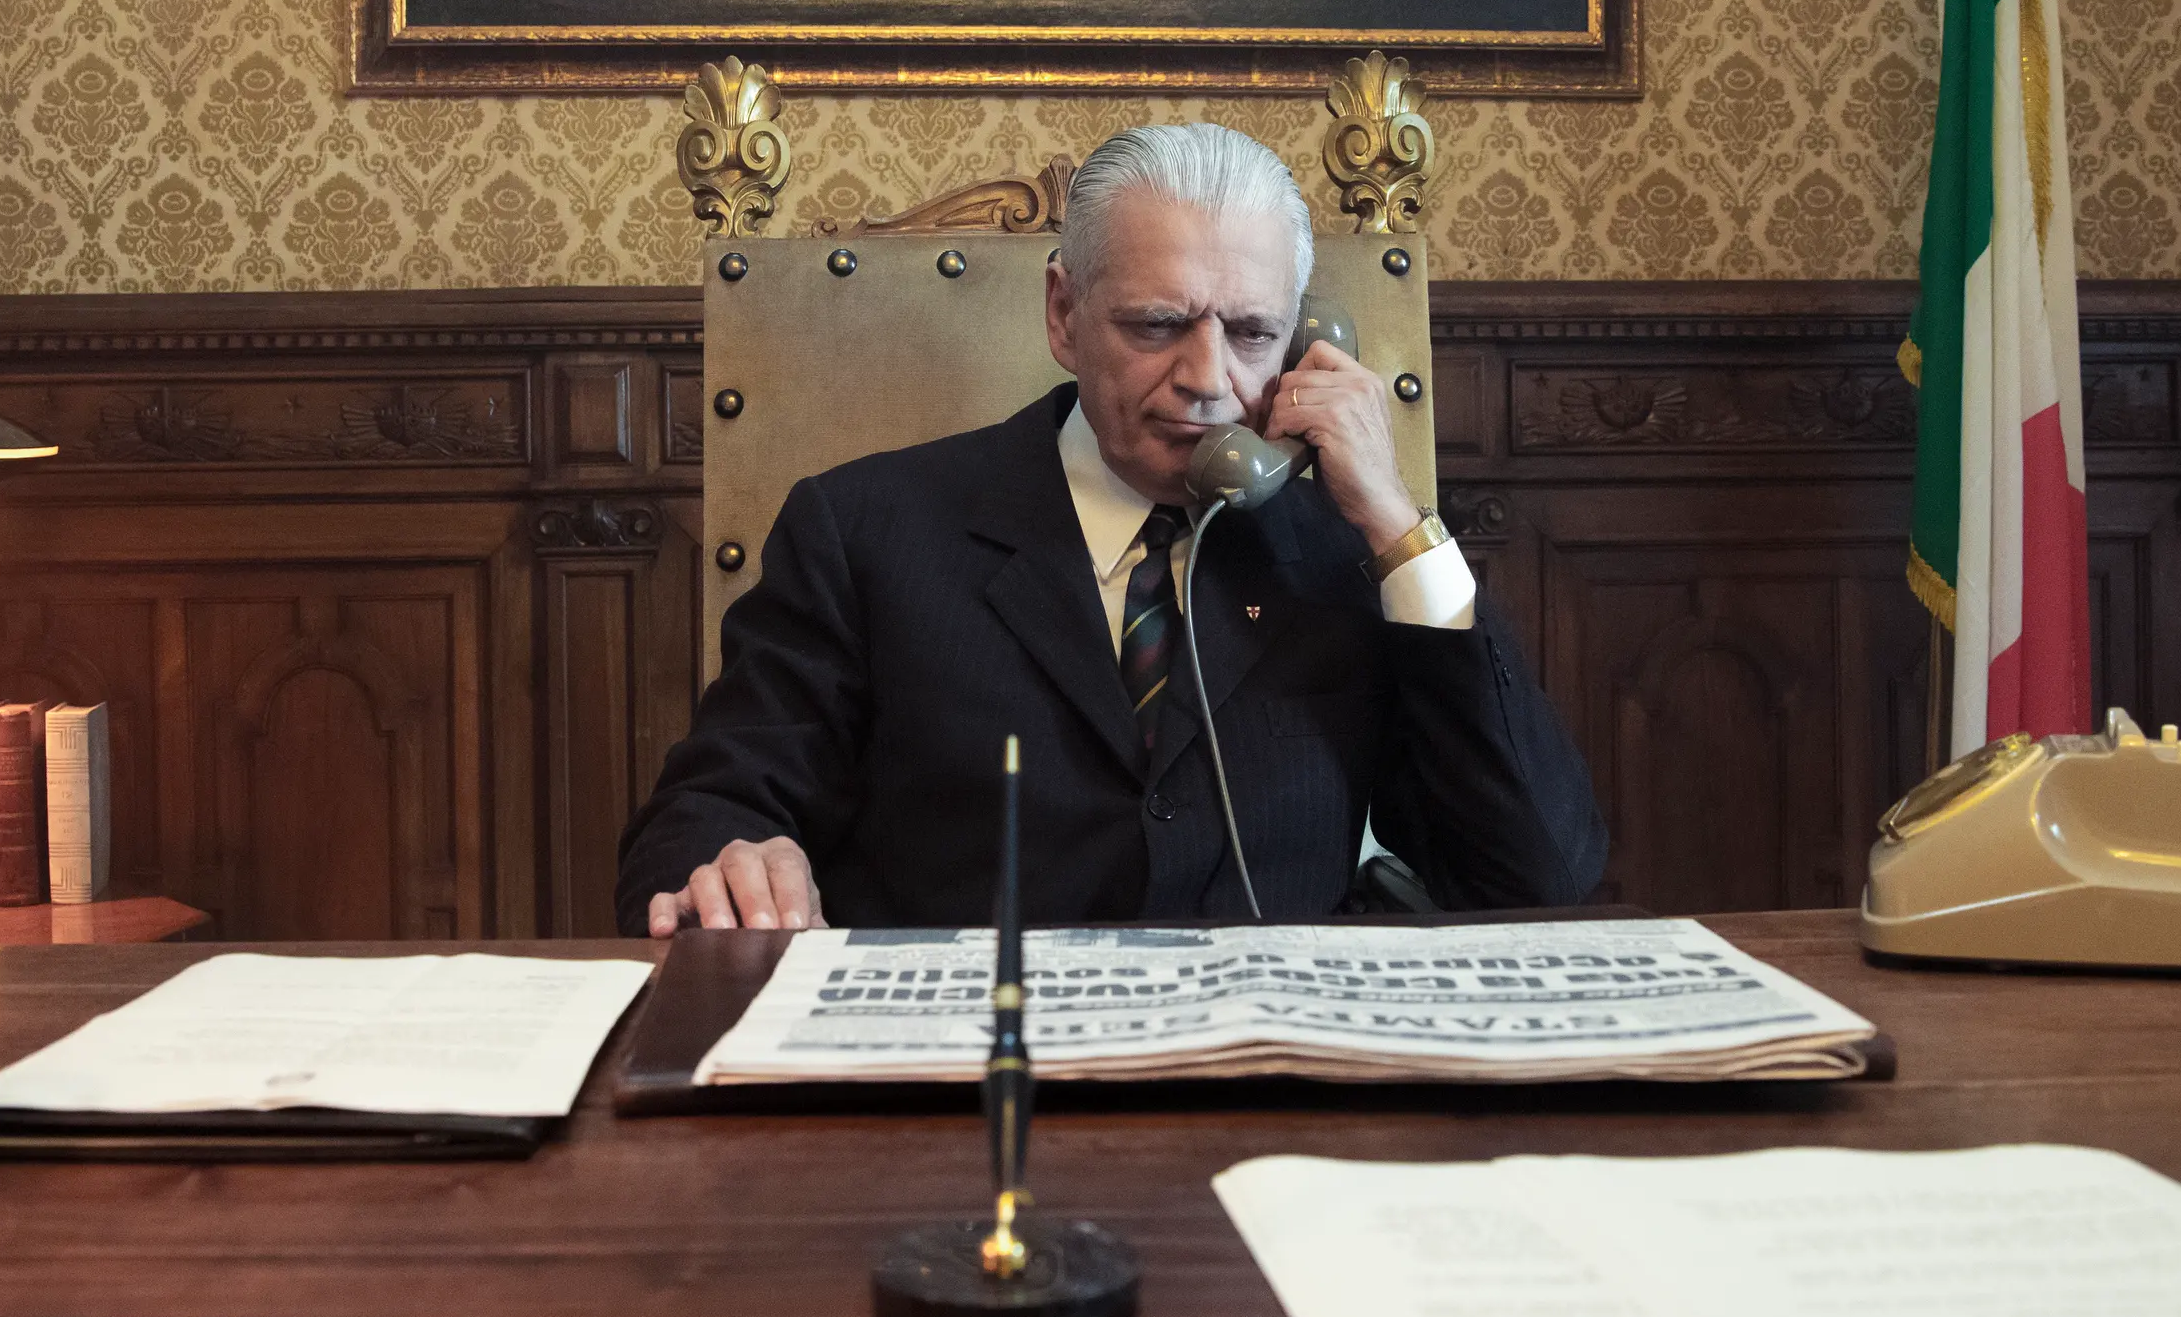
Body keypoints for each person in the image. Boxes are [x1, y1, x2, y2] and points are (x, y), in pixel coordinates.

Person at [617, 123, 1606, 933]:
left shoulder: (1349, 550)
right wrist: (737, 862)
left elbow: (1533, 877)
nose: (1209, 380)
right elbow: (705, 817)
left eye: (1254, 333)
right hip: (967, 1086)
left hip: (1274, 1090)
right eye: (1157, 324)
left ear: (1305, 339)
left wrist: (1400, 530)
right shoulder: (865, 532)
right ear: (1063, 312)